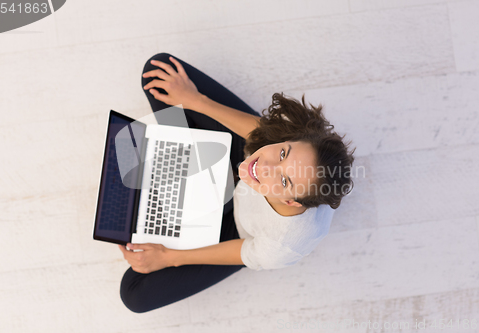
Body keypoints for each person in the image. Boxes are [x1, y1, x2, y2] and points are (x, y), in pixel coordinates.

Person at [119, 53, 355, 313]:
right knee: (159, 74)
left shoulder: (284, 244)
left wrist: (169, 257)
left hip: (237, 228)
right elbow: (260, 138)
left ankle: (196, 167)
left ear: (291, 201)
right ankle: (190, 160)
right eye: (282, 153)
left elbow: (244, 249)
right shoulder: (289, 146)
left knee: (135, 293)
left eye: (284, 180)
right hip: (238, 159)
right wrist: (194, 100)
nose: (264, 166)